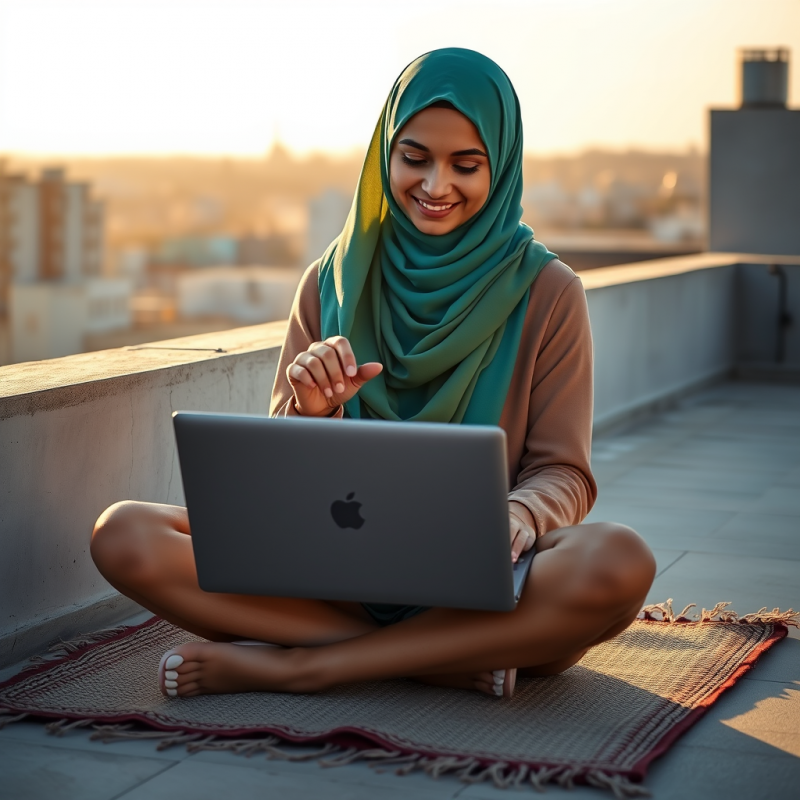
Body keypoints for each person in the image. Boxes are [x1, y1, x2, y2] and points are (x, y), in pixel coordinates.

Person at [90, 48, 655, 700]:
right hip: (332, 576)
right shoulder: (330, 281)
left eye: (465, 165)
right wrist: (309, 411)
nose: (435, 185)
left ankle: (307, 665)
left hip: (475, 587)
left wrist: (520, 513)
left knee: (616, 562)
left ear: (499, 168)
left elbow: (565, 471)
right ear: (385, 153)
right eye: (415, 158)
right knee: (124, 534)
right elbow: (276, 484)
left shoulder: (549, 292)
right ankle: (435, 662)